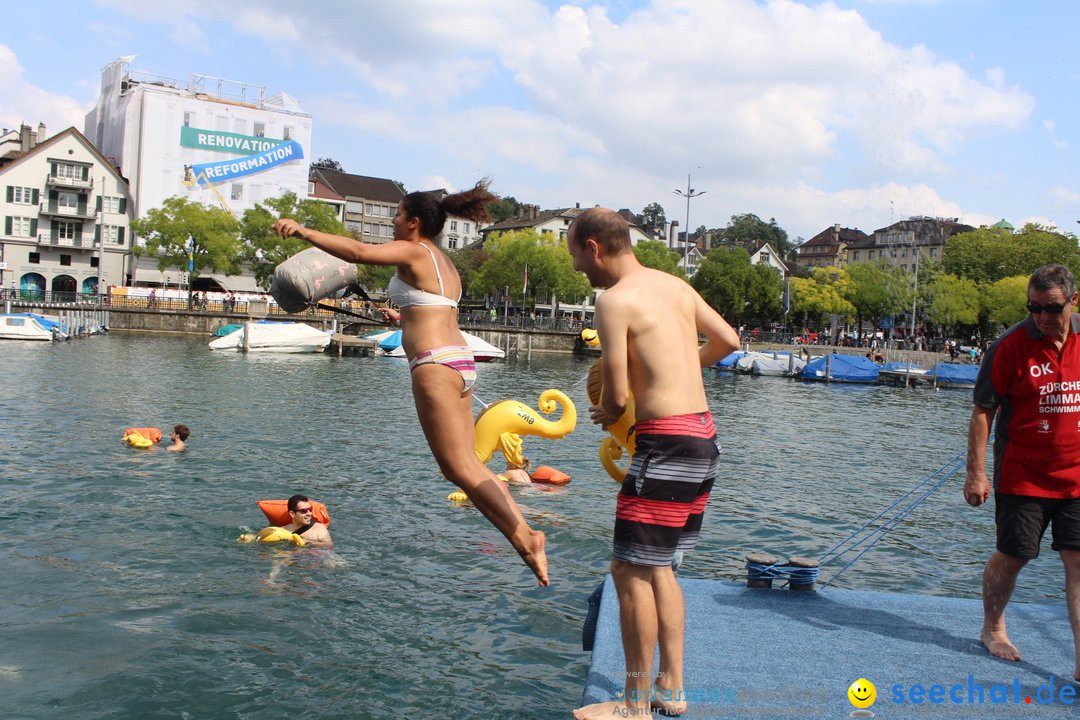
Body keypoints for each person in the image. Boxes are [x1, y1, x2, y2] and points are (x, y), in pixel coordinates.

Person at [272, 180, 548, 586]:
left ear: (414, 222)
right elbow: (431, 308)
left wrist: (303, 231)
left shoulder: (413, 248)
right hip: (460, 362)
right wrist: (400, 317)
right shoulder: (443, 261)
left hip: (434, 365)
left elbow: (359, 252)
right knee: (468, 464)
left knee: (458, 469)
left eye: (397, 214)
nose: (393, 220)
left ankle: (524, 538)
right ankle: (523, 531)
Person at [567, 208, 739, 719]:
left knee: (628, 571)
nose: (578, 267)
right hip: (703, 436)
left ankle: (635, 705)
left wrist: (607, 410)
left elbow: (617, 399)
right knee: (660, 567)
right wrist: (678, 369)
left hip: (664, 443)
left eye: (577, 255)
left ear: (595, 247)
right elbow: (728, 342)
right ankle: (671, 687)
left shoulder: (613, 301)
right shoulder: (675, 286)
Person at [964, 264, 1080, 679]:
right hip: (1023, 475)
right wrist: (975, 473)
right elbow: (983, 412)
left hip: (1077, 478)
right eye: (1033, 307)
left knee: (1078, 561)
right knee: (1014, 555)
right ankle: (992, 627)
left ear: (1073, 300)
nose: (1043, 317)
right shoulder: (1010, 345)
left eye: (1051, 308)